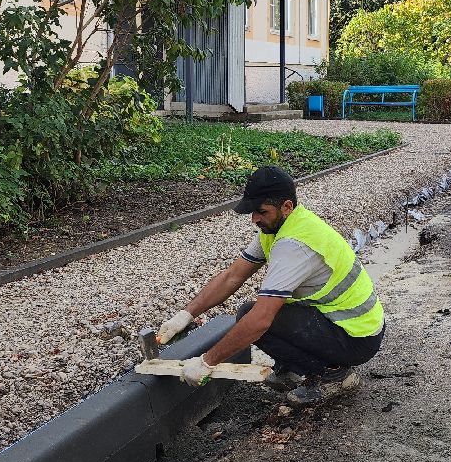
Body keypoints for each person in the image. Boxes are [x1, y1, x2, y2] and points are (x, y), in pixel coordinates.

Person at [155, 165, 385, 404]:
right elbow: (232, 276)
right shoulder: (279, 227)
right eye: (253, 212)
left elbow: (261, 320)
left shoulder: (295, 244)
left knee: (255, 319)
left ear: (286, 207)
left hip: (357, 336)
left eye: (261, 212)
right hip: (343, 322)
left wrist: (207, 362)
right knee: (247, 312)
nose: (255, 219)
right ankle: (296, 368)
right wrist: (186, 314)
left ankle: (335, 376)